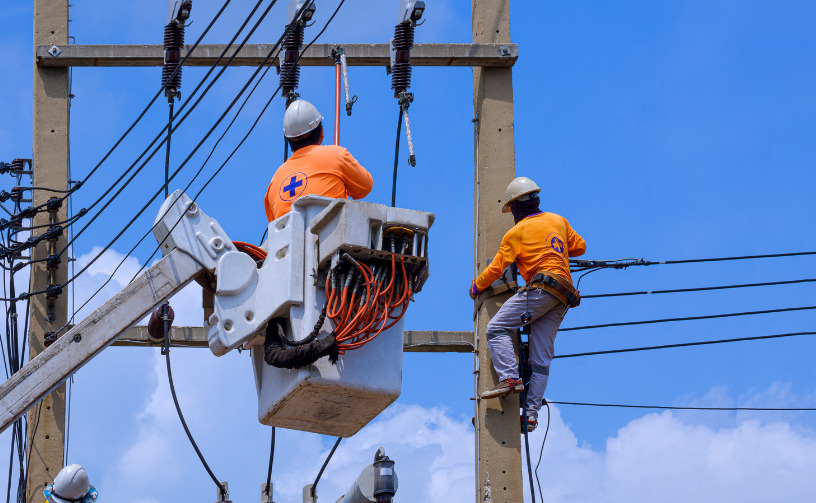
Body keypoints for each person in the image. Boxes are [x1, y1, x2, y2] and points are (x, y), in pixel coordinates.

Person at [470, 176, 586, 432]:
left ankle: (510, 378)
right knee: (541, 359)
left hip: (542, 290)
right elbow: (580, 247)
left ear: (515, 207)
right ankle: (531, 415)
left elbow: (496, 268)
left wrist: (476, 286)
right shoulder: (558, 220)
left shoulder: (516, 233)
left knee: (497, 328)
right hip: (563, 296)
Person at [264, 99, 373, 222]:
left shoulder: (275, 181)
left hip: (289, 240)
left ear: (288, 140)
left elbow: (275, 226)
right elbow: (365, 187)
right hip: (329, 237)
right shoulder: (336, 155)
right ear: (321, 132)